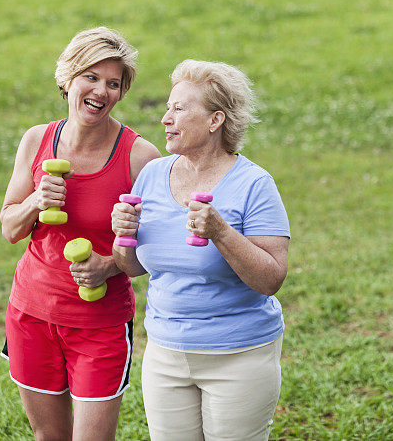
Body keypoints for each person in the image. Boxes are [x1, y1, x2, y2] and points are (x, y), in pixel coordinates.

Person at [111, 59, 291, 440]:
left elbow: (271, 278)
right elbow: (134, 267)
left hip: (239, 356)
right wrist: (121, 238)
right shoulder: (153, 175)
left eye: (179, 109)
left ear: (215, 120)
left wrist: (222, 232)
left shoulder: (254, 184)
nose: (165, 119)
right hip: (165, 354)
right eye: (167, 108)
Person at [0, 27, 161, 440]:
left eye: (113, 83)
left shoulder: (141, 158)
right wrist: (37, 201)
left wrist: (109, 266)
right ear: (68, 78)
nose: (100, 91)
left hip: (100, 324)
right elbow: (9, 227)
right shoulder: (37, 140)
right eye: (90, 77)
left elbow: (161, 250)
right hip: (31, 313)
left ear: (122, 93)